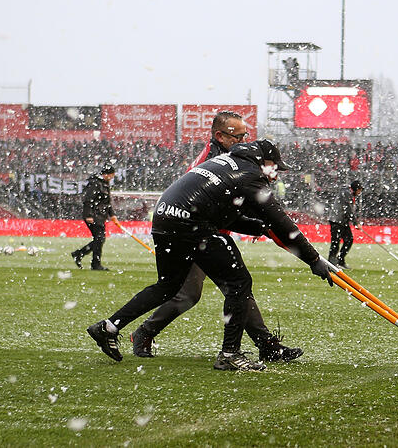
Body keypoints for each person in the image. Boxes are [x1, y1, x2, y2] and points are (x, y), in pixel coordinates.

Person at [87, 139, 333, 371]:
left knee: (168, 285)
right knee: (239, 283)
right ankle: (230, 355)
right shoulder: (251, 175)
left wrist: (259, 227)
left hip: (165, 220)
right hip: (193, 226)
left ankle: (108, 327)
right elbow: (283, 224)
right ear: (265, 163)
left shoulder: (226, 161)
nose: (277, 175)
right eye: (276, 168)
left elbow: (227, 215)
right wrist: (313, 260)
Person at [129, 111, 303, 364]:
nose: (244, 141)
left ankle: (266, 344)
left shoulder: (227, 157)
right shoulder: (218, 160)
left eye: (245, 135)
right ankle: (144, 331)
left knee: (234, 290)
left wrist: (255, 222)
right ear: (219, 136)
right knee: (198, 293)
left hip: (209, 232)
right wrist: (256, 223)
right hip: (199, 233)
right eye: (238, 136)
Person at [71, 164, 117, 271]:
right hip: (94, 216)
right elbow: (88, 199)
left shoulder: (104, 184)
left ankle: (80, 254)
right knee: (99, 239)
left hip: (100, 216)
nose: (112, 177)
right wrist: (88, 215)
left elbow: (107, 203)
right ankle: (94, 263)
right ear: (107, 174)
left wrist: (112, 215)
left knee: (99, 239)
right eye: (112, 175)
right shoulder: (96, 184)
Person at [327, 180, 363, 269]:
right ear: (355, 189)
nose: (359, 192)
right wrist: (356, 223)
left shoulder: (349, 193)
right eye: (359, 190)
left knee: (349, 240)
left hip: (343, 221)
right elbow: (348, 210)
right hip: (337, 221)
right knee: (335, 242)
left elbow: (349, 210)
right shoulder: (346, 193)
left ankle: (340, 260)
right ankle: (332, 263)